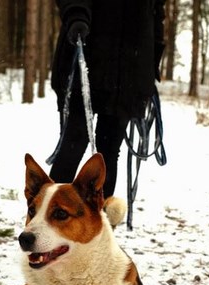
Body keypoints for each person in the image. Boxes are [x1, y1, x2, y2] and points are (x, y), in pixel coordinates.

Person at [49, 0, 166, 198]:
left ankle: (98, 221)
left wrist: (152, 60)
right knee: (74, 142)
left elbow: (156, 12)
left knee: (109, 152)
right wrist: (76, 15)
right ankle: (48, 218)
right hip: (84, 59)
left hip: (130, 72)